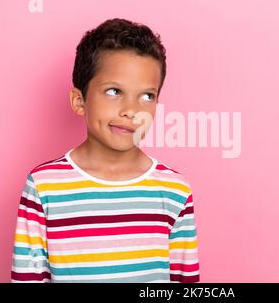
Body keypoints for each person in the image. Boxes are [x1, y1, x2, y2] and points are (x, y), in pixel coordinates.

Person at [11, 18, 200, 283]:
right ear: (80, 100)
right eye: (114, 91)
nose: (132, 110)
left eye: (147, 96)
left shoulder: (174, 191)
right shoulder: (44, 187)